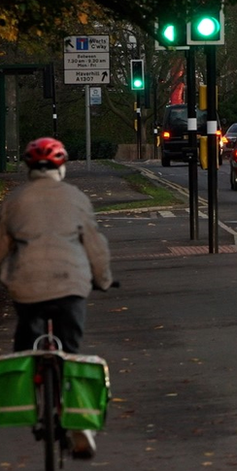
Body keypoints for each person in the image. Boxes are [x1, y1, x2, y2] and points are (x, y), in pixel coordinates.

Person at [0, 137, 113, 459]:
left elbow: (2, 244)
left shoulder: (15, 200)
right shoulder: (76, 197)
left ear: (28, 167)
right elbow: (94, 244)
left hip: (27, 285)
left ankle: (34, 393)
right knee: (71, 352)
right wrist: (103, 279)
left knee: (25, 341)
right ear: (61, 166)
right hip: (70, 285)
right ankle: (79, 422)